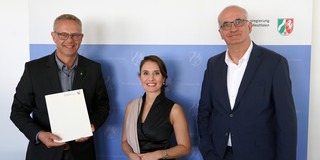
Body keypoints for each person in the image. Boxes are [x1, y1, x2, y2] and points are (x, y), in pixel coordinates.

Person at [197, 5, 297, 160]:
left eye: (238, 22)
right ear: (221, 33)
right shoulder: (213, 65)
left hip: (260, 155)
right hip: (219, 154)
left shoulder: (275, 63)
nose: (233, 28)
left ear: (249, 26)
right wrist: (207, 150)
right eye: (226, 25)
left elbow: (286, 121)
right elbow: (205, 111)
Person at [10, 14, 110, 160]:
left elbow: (103, 105)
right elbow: (18, 112)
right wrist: (39, 134)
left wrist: (91, 125)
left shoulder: (93, 69)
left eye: (75, 35)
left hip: (82, 153)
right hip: (43, 153)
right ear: (54, 36)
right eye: (63, 35)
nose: (69, 40)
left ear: (81, 38)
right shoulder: (34, 69)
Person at [121, 55, 191, 160]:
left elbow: (185, 148)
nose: (151, 78)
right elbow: (124, 141)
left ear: (163, 78)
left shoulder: (174, 109)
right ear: (140, 78)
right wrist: (131, 155)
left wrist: (159, 154)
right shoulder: (131, 106)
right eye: (146, 73)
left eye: (156, 73)